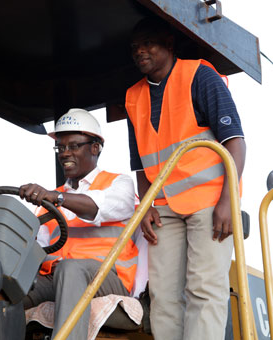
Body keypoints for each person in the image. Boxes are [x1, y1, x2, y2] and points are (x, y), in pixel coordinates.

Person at [125, 16, 246, 340]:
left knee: (203, 288)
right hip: (163, 207)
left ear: (168, 44)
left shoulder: (199, 76)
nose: (141, 52)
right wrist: (144, 206)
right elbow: (140, 163)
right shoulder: (133, 97)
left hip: (209, 202)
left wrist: (227, 201)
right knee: (163, 296)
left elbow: (234, 142)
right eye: (136, 48)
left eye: (148, 43)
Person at [19, 108, 146, 340]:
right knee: (5, 294)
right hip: (60, 277)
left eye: (73, 146)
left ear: (95, 147)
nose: (65, 153)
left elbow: (98, 207)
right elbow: (40, 249)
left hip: (109, 279)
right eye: (61, 147)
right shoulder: (50, 199)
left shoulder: (118, 184)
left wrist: (56, 198)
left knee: (72, 268)